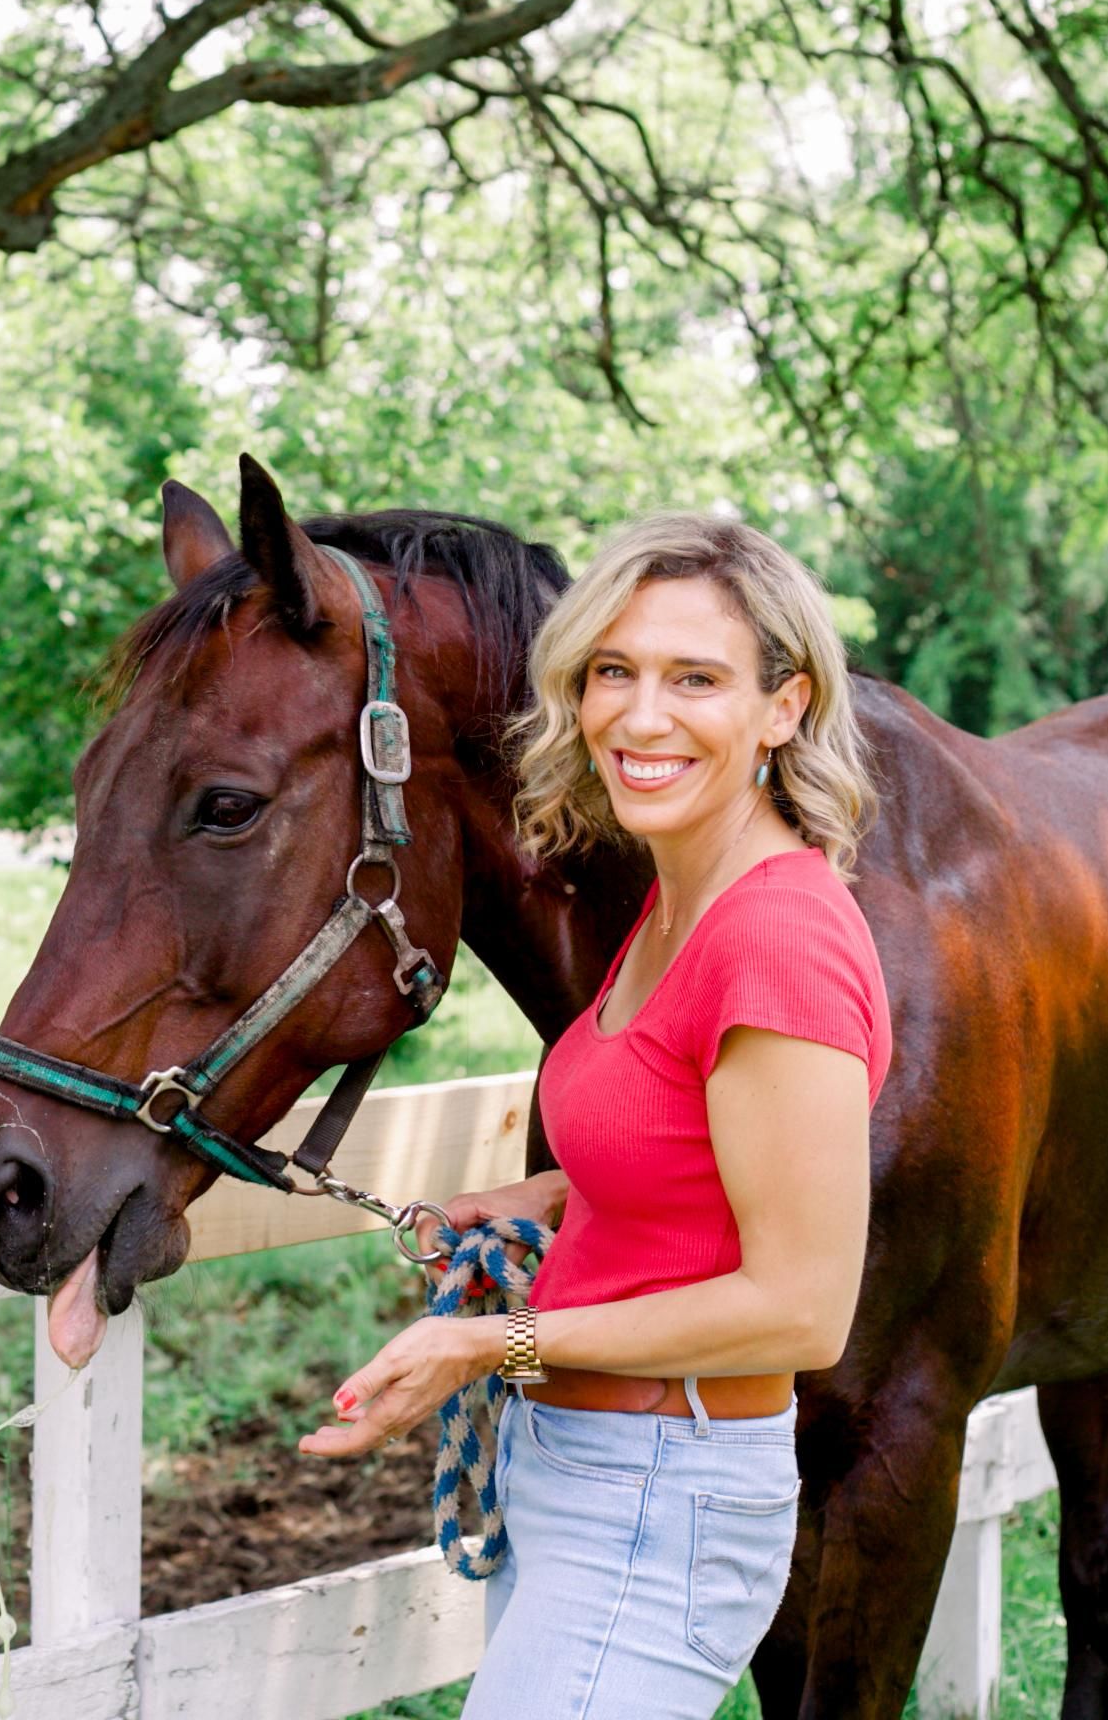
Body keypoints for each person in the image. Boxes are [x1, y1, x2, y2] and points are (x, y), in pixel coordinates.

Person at [298, 514, 892, 1718]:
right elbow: (700, 1165)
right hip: (581, 1472)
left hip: (659, 1494)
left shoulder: (776, 937)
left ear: (784, 706)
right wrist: (533, 1202)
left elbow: (803, 1305)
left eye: (696, 679)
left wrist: (486, 1342)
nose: (639, 715)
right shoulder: (678, 905)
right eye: (611, 672)